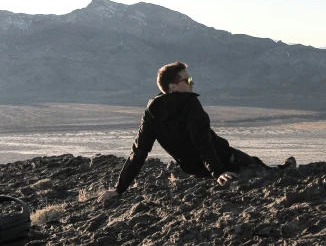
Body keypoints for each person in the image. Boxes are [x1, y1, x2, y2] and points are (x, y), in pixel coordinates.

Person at [97, 62, 294, 202]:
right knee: (256, 165)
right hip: (224, 159)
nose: (192, 83)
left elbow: (139, 152)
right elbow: (203, 142)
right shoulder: (190, 104)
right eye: (188, 80)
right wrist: (218, 172)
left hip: (194, 169)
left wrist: (119, 189)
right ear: (173, 86)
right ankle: (285, 170)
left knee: (251, 162)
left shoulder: (151, 112)